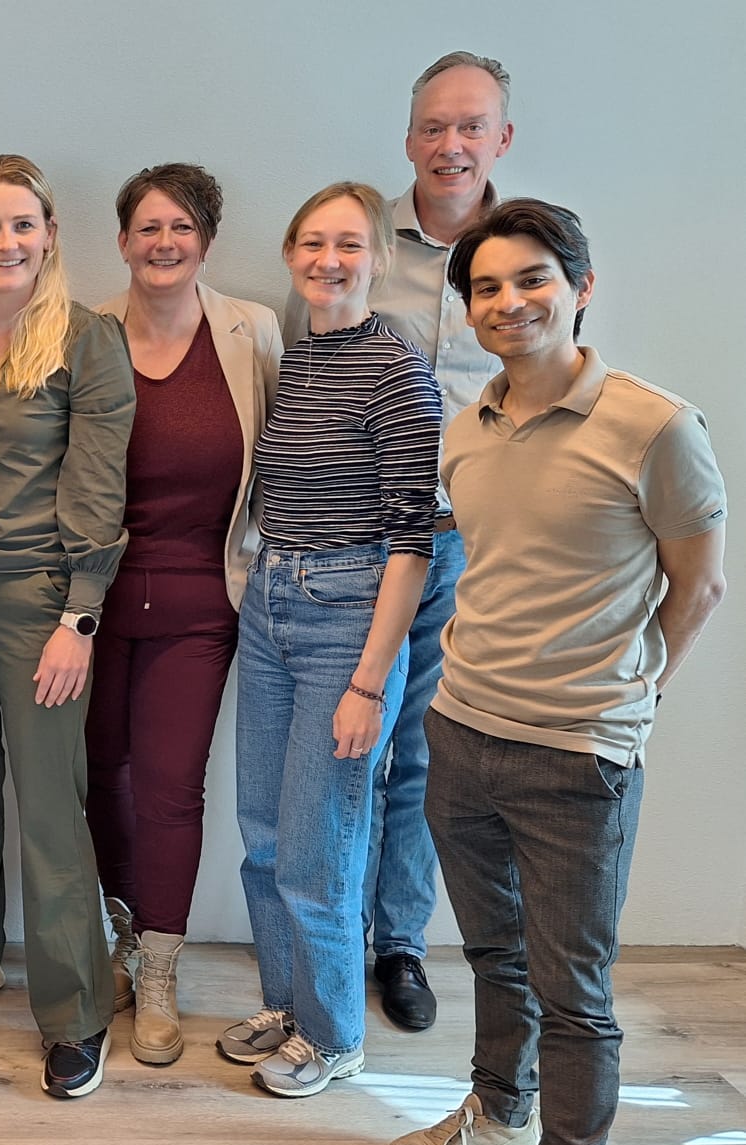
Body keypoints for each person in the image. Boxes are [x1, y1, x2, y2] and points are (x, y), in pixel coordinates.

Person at [385, 199, 726, 1145]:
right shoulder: (466, 424)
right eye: (486, 288)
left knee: (575, 990)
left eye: (531, 280)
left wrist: (628, 701)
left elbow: (698, 588)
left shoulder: (655, 424)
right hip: (462, 730)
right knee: (492, 952)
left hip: (580, 753)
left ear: (581, 284)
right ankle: (499, 1109)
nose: (508, 303)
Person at [285, 52, 516, 1032]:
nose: (450, 144)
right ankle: (323, 946)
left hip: (464, 544)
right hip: (353, 547)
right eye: (434, 126)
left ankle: (400, 941)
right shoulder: (357, 240)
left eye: (471, 127)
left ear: (501, 138)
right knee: (349, 750)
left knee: (424, 749)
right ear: (409, 136)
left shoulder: (521, 253)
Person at [0, 154, 136, 1099]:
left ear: (49, 235)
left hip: (42, 601)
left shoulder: (86, 341)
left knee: (49, 808)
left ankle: (76, 1011)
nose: (7, 243)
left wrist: (78, 617)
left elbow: (98, 484)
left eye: (23, 225)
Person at [220, 182, 441, 1098]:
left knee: (323, 842)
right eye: (312, 242)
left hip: (348, 617)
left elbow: (414, 541)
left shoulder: (398, 365)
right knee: (264, 833)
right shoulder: (302, 357)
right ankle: (290, 1006)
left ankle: (337, 1032)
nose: (329, 260)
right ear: (289, 252)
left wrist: (369, 679)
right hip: (271, 602)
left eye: (349, 244)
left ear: (378, 259)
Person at [90, 164, 281, 1064]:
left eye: (181, 228)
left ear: (205, 240)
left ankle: (161, 969)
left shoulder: (253, 332)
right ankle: (120, 941)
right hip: (90, 603)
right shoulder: (83, 334)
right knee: (98, 777)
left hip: (204, 601)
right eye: (146, 227)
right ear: (122, 240)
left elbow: (282, 466)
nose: (163, 243)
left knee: (170, 786)